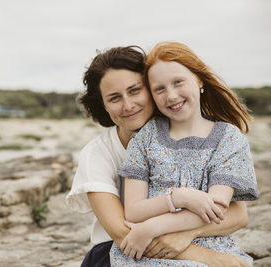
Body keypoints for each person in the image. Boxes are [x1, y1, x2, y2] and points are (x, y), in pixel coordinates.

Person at [66, 45, 251, 267]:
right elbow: (120, 232)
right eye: (114, 98)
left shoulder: (219, 137)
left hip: (189, 238)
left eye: (135, 90)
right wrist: (208, 257)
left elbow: (238, 215)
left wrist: (186, 235)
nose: (128, 105)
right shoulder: (97, 153)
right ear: (103, 105)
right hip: (122, 250)